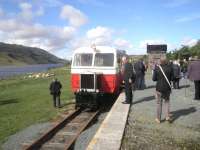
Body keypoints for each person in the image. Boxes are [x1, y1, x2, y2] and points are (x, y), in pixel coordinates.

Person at [152, 57, 174, 123]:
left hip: (159, 88)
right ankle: (167, 116)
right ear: (166, 61)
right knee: (167, 102)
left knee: (159, 103)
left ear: (160, 61)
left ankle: (158, 119)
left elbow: (154, 79)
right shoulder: (170, 68)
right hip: (167, 88)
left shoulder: (157, 68)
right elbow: (172, 78)